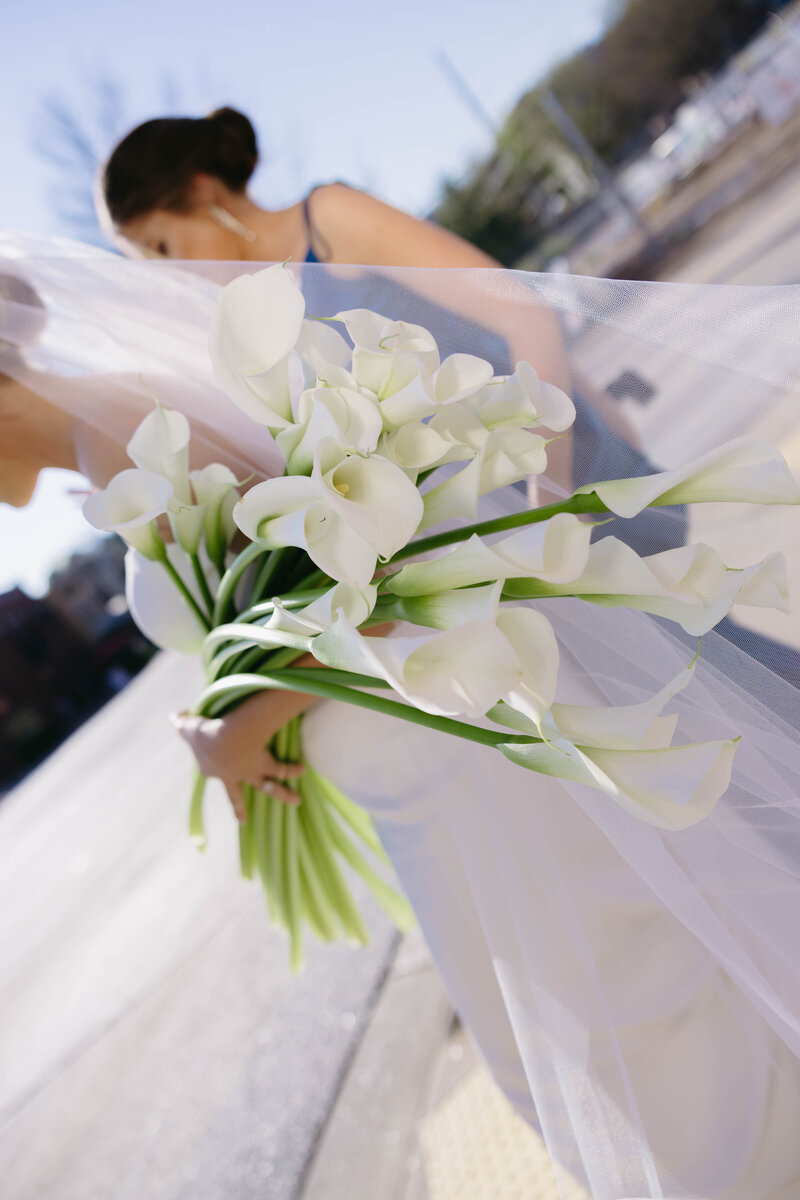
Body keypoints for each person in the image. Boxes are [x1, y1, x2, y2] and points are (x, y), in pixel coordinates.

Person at [1, 109, 799, 1196]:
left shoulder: (268, 291)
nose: (157, 274)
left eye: (158, 244)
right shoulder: (174, 400)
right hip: (444, 705)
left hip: (519, 551)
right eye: (137, 261)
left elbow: (380, 559)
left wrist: (544, 492)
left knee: (692, 774)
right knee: (621, 959)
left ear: (202, 194)